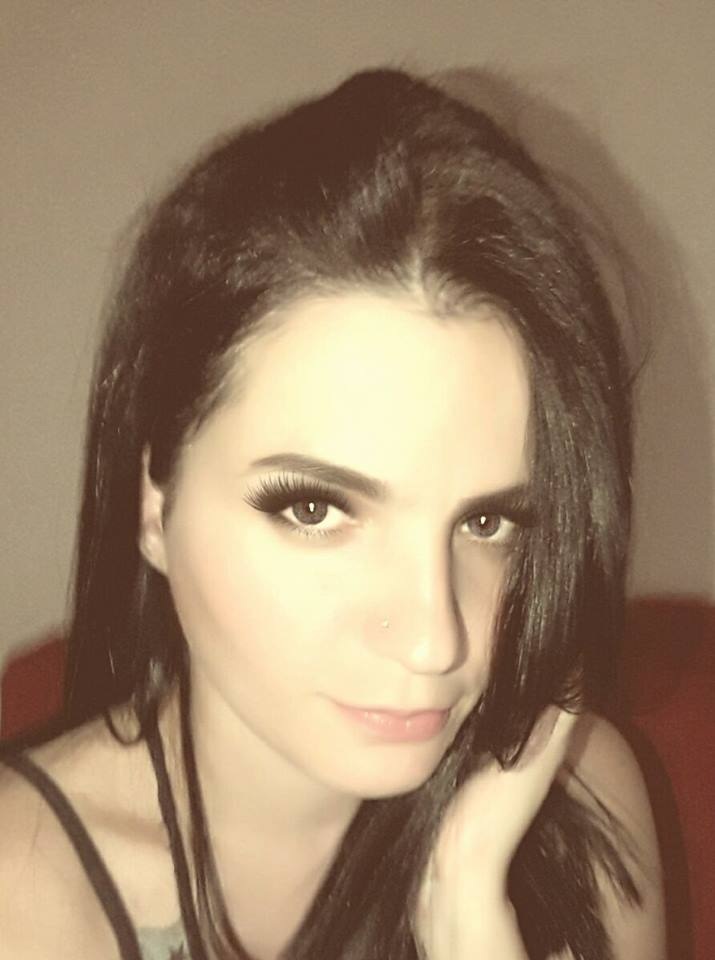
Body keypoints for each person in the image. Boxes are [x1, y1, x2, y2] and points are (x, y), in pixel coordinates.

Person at [0, 68, 664, 959]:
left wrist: (470, 911)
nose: (433, 640)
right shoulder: (22, 900)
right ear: (155, 501)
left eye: (487, 524)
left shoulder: (574, 810)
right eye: (314, 509)